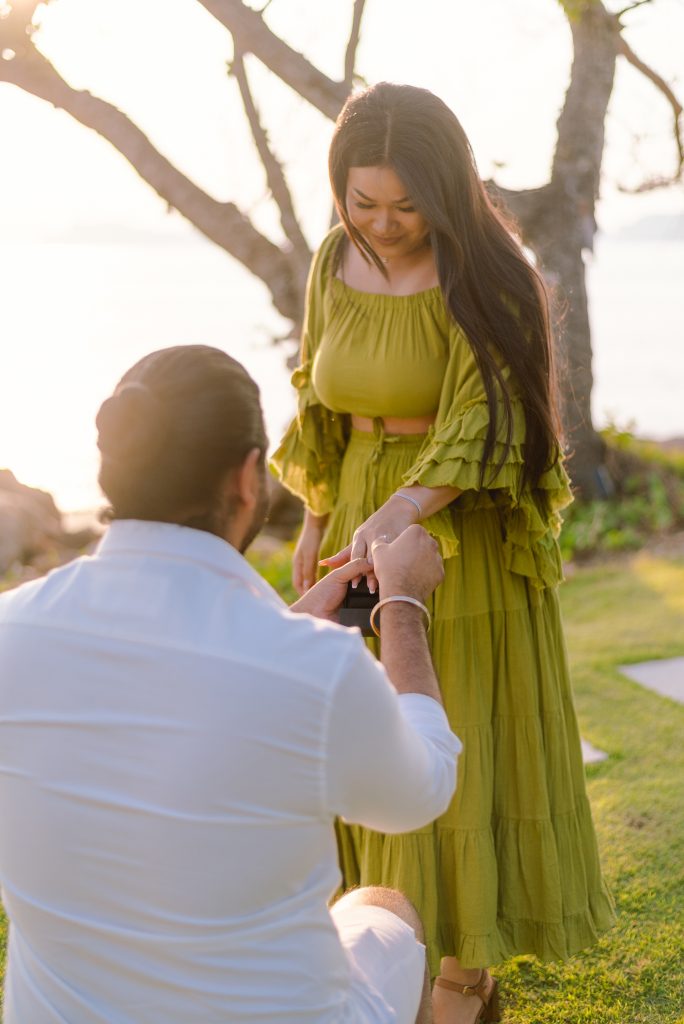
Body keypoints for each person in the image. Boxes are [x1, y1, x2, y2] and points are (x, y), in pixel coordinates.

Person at [271, 82, 615, 1023]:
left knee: (450, 733)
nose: (382, 223)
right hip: (357, 509)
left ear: (446, 189)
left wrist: (402, 510)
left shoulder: (488, 269)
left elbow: (492, 415)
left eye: (405, 203)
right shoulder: (333, 257)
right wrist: (316, 515)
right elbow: (317, 389)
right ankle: (383, 934)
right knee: (363, 736)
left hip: (455, 525)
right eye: (363, 200)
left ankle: (463, 977)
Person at [0, 345, 462, 1024]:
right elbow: (420, 790)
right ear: (249, 479)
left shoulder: (13, 630)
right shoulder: (311, 667)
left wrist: (287, 627)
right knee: (383, 909)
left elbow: (155, 692)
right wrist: (404, 607)